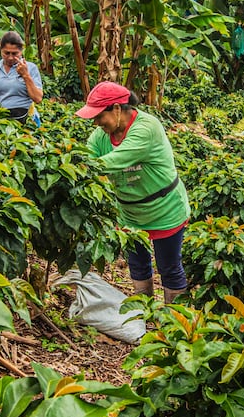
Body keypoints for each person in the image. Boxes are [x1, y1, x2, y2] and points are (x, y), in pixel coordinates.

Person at [76, 81, 189, 303]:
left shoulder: (147, 128)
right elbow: (86, 156)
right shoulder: (100, 137)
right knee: (137, 264)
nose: (97, 123)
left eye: (100, 116)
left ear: (117, 109)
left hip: (164, 209)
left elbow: (114, 160)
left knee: (169, 266)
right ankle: (144, 312)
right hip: (129, 214)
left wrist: (80, 167)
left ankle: (175, 323)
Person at [0, 31, 43, 123]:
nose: (10, 57)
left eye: (14, 54)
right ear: (0, 50)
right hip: (1, 118)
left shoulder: (31, 68)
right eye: (6, 53)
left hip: (26, 118)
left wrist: (25, 75)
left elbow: (38, 98)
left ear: (21, 51)